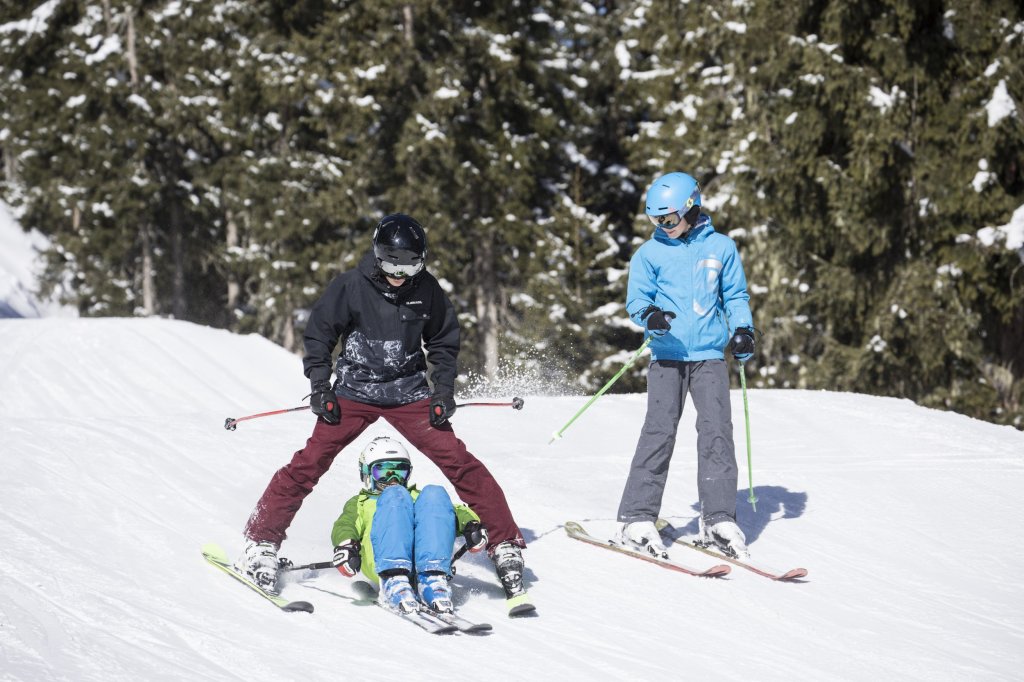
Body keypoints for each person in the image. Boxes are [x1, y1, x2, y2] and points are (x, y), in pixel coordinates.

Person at [236, 213, 526, 601]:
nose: (399, 275)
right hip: (355, 392)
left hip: (408, 393)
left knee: (459, 461)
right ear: (377, 257)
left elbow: (443, 342)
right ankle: (262, 541)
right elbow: (319, 335)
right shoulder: (351, 286)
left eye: (409, 266)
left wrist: (441, 391)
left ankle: (505, 542)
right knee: (310, 461)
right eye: (391, 264)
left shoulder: (428, 291)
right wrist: (321, 387)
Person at [616, 171, 756, 561]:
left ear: (691, 208)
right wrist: (650, 316)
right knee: (659, 432)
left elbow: (736, 295)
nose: (663, 227)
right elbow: (636, 301)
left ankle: (719, 519)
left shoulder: (722, 248)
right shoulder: (649, 254)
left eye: (669, 220)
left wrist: (743, 330)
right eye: (656, 222)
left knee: (717, 434)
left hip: (709, 357)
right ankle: (638, 516)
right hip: (667, 357)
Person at [330, 435, 488, 614]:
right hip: (379, 561)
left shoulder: (417, 497)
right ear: (366, 473)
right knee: (394, 496)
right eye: (383, 472)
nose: (392, 479)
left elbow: (451, 512)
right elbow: (344, 525)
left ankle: (432, 579)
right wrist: (346, 545)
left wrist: (470, 525)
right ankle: (393, 579)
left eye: (399, 471)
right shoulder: (360, 503)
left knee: (435, 494)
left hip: (422, 564)